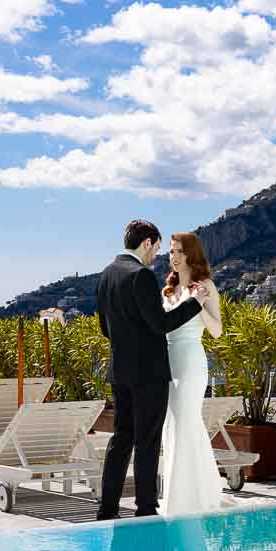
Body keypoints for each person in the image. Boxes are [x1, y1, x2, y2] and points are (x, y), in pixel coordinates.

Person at [96, 220, 208, 520]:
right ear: (146, 243)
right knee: (147, 441)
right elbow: (161, 325)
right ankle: (145, 508)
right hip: (148, 374)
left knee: (121, 439)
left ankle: (107, 508)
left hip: (119, 372)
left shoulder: (106, 274)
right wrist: (195, 303)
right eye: (157, 248)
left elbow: (104, 329)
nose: (156, 256)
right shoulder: (141, 275)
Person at [159, 232, 229, 517]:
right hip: (168, 363)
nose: (173, 257)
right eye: (170, 252)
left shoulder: (206, 286)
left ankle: (186, 497)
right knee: (174, 424)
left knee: (187, 421)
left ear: (191, 254)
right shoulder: (169, 289)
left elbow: (217, 331)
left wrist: (198, 304)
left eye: (178, 251)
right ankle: (185, 492)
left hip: (191, 362)